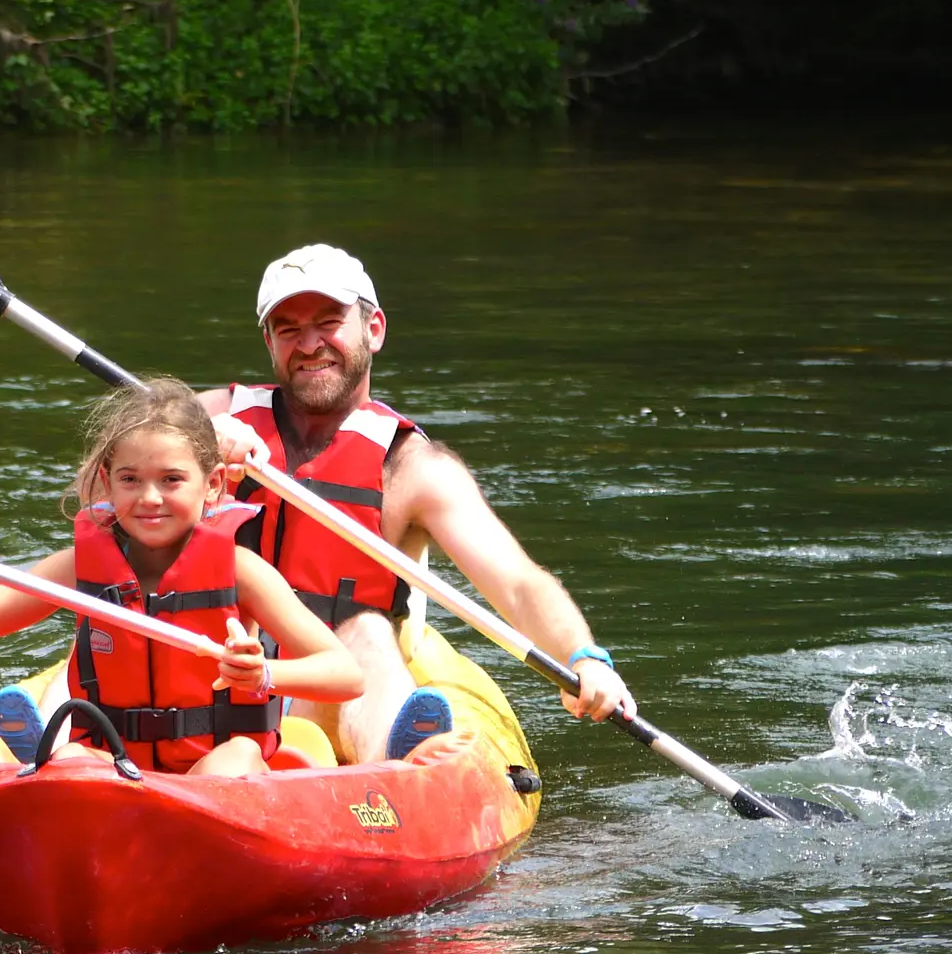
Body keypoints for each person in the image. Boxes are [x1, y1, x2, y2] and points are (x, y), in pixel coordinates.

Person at [198, 243, 636, 766]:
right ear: (270, 342)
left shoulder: (412, 468)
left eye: (329, 321)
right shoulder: (208, 419)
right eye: (288, 328)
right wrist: (191, 450)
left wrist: (583, 658)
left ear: (374, 329)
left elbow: (517, 581)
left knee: (366, 629)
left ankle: (398, 771)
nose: (310, 344)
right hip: (218, 662)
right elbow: (97, 495)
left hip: (330, 681)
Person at [0, 377, 365, 776]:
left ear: (212, 485)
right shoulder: (79, 568)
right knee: (72, 763)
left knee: (234, 762)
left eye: (172, 479)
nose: (149, 498)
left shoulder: (240, 570)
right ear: (107, 481)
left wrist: (263, 674)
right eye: (130, 479)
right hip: (114, 764)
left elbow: (347, 675)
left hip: (213, 769)